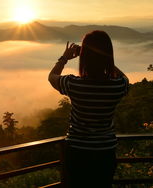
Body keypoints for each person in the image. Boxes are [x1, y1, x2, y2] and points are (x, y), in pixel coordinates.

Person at [48, 30, 129, 188]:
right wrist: (106, 60)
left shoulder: (74, 84)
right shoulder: (117, 86)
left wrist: (64, 58)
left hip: (77, 152)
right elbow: (125, 79)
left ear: (84, 56)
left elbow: (51, 77)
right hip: (105, 153)